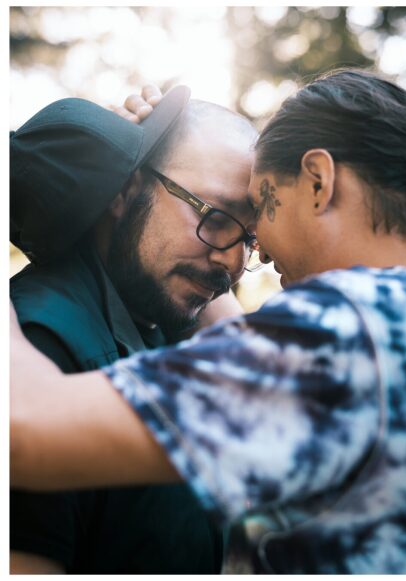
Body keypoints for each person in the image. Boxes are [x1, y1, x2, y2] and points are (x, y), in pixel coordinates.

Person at [10, 69, 406, 574]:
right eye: (218, 218)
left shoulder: (341, 333)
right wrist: (130, 172)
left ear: (318, 182)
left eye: (255, 225)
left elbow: (23, 426)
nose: (238, 263)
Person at [9, 87, 259, 573]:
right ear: (126, 190)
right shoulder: (42, 348)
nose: (233, 261)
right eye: (213, 217)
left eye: (249, 239)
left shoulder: (168, 322)